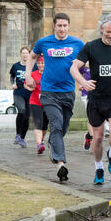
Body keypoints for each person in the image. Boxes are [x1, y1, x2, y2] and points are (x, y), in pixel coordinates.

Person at [70, 14, 111, 185]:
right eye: (108, 32)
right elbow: (74, 68)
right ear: (102, 29)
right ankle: (98, 168)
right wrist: (83, 82)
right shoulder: (91, 47)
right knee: (97, 137)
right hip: (96, 99)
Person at [25, 13, 84, 182]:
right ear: (54, 26)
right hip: (49, 92)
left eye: (65, 25)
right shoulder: (44, 42)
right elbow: (32, 56)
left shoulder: (77, 43)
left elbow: (86, 62)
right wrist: (28, 75)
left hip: (68, 92)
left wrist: (85, 80)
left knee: (63, 126)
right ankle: (60, 164)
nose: (62, 29)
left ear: (69, 26)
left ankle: (53, 144)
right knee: (56, 124)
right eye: (59, 25)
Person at [10, 46, 36, 148]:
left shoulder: (33, 66)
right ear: (21, 54)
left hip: (30, 94)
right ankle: (17, 135)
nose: (25, 55)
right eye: (23, 53)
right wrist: (12, 84)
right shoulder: (16, 66)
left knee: (27, 116)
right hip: (18, 93)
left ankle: (22, 138)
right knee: (21, 110)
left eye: (27, 53)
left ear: (29, 55)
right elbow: (12, 76)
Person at [24, 54, 48, 154]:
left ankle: (41, 140)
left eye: (42, 63)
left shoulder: (49, 74)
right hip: (35, 101)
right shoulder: (33, 74)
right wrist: (30, 88)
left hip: (47, 102)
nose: (40, 65)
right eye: (39, 63)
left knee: (45, 125)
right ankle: (39, 144)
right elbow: (25, 84)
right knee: (38, 122)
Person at [79, 63, 94, 150]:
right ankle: (93, 139)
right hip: (86, 94)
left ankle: (88, 136)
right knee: (91, 116)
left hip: (99, 93)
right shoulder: (83, 63)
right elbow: (76, 72)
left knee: (98, 118)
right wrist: (80, 83)